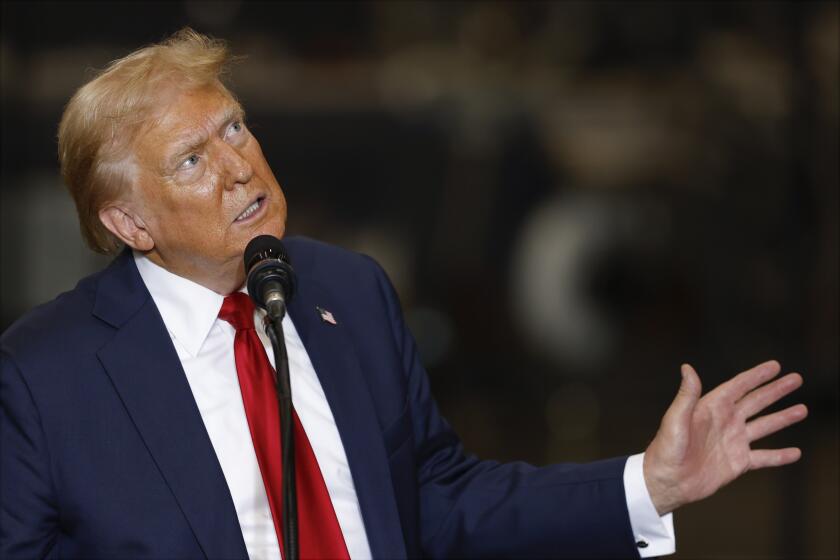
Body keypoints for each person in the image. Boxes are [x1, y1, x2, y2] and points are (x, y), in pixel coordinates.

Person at [0, 28, 807, 559]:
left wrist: (646, 484)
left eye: (236, 128)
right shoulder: (47, 375)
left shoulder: (346, 291)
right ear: (128, 221)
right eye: (191, 161)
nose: (239, 166)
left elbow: (435, 497)